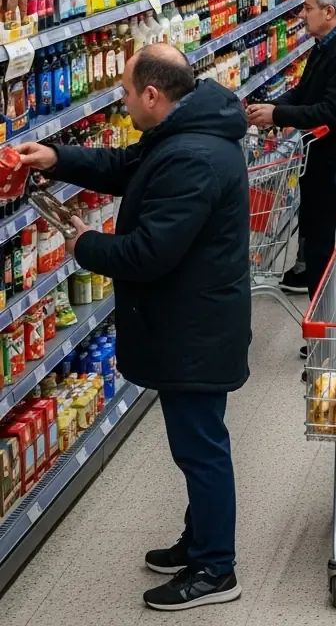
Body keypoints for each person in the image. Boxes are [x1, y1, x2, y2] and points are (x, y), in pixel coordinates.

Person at [15, 45, 250, 610]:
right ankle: (201, 542)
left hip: (195, 328)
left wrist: (84, 246)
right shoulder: (184, 131)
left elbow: (150, 253)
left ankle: (217, 569)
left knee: (201, 448)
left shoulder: (193, 156)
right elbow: (127, 168)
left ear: (152, 95)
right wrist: (56, 157)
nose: (121, 102)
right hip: (195, 320)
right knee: (197, 443)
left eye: (124, 92)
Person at [247, 0, 336, 299]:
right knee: (320, 250)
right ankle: (323, 336)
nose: (302, 15)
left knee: (329, 252)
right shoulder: (328, 45)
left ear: (329, 12)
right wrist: (274, 107)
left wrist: (278, 116)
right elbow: (306, 93)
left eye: (307, 8)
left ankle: (333, 337)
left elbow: (332, 112)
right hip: (324, 166)